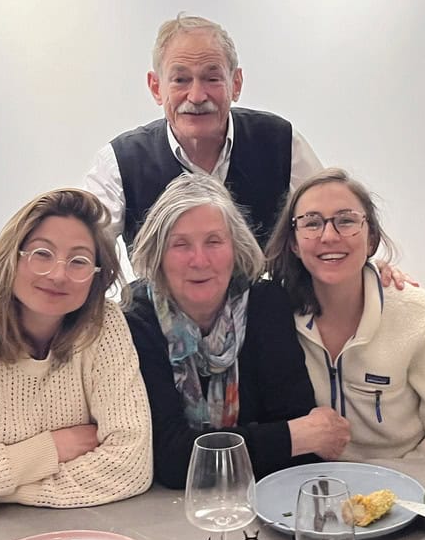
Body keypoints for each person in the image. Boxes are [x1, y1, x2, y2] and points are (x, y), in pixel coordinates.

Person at [122, 173, 350, 488]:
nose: (199, 260)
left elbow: (302, 451)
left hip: (262, 501)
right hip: (160, 512)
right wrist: (289, 437)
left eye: (214, 241)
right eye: (180, 244)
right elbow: (169, 459)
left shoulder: (265, 304)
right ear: (158, 256)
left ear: (235, 248)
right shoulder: (135, 319)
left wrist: (292, 438)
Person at [266, 167, 425, 461]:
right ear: (294, 242)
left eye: (346, 221)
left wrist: (378, 494)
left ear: (371, 238)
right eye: (312, 223)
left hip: (401, 494)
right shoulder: (271, 315)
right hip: (303, 493)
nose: (329, 236)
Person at [83, 13, 322, 248]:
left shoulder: (280, 142)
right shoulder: (121, 161)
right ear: (156, 87)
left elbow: (328, 220)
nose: (197, 96)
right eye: (180, 80)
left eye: (212, 78)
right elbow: (82, 245)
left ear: (236, 84)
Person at [0, 189, 152, 510]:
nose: (58, 274)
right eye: (42, 253)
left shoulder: (103, 324)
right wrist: (47, 450)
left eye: (79, 261)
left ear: (96, 276)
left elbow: (132, 467)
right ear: (13, 254)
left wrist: (2, 490)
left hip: (80, 531)